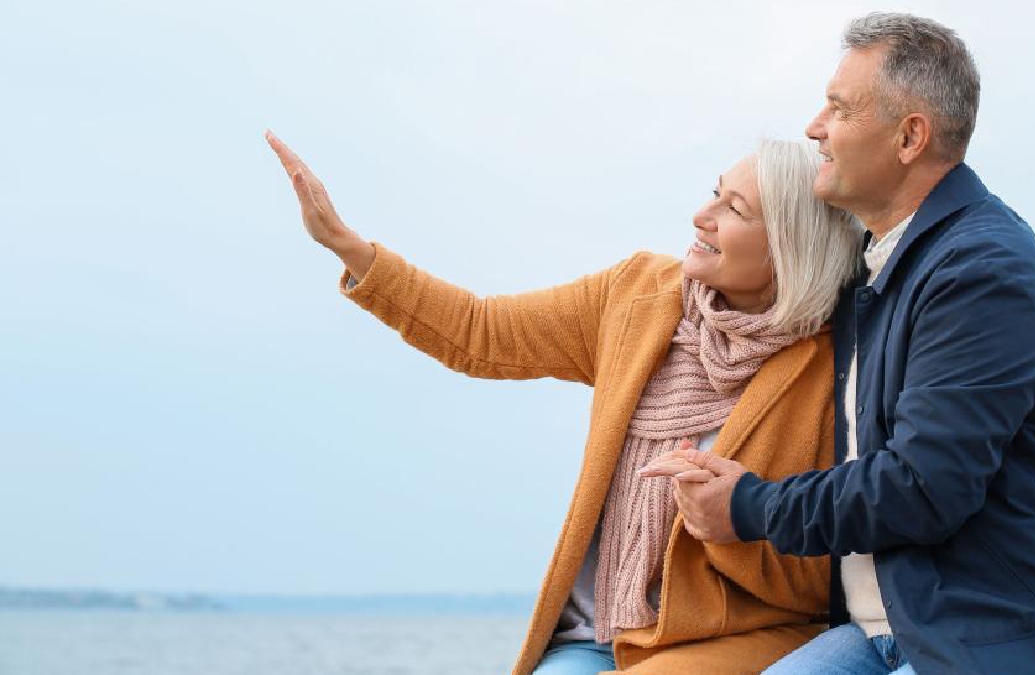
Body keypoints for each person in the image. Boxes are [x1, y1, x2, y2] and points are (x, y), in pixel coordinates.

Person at [643, 12, 1035, 675]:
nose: (814, 127)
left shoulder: (982, 271)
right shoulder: (880, 266)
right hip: (900, 622)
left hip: (1013, 628)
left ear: (911, 136)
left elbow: (922, 487)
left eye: (838, 108)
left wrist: (748, 505)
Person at [266, 132, 862, 674]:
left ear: (790, 245)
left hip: (730, 636)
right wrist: (349, 248)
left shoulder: (830, 369)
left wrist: (730, 520)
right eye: (714, 193)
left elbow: (815, 579)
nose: (700, 215)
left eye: (734, 209)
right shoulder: (635, 294)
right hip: (593, 633)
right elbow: (482, 333)